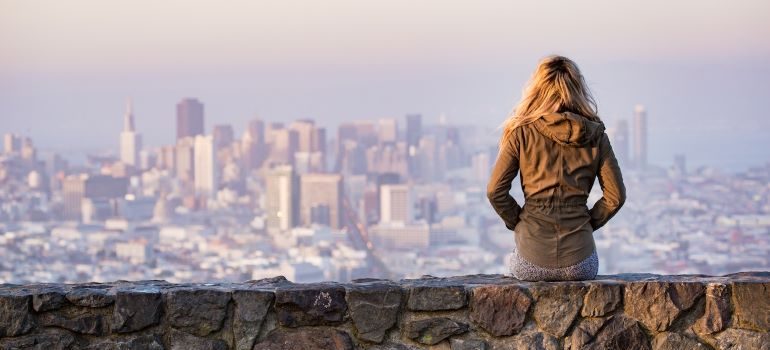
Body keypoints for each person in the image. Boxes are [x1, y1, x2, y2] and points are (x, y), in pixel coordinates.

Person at [487, 55, 626, 281]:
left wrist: (520, 222)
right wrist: (586, 224)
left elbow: (495, 191)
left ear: (537, 89)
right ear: (577, 89)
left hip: (530, 259)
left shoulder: (521, 133)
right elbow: (616, 197)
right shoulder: (596, 135)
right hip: (581, 262)